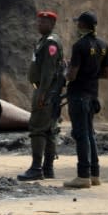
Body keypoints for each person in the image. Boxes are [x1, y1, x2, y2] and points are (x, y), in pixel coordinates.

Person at [63, 11, 108, 189]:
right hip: (92, 95)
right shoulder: (103, 45)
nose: (76, 27)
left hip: (78, 95)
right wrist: (90, 74)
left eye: (78, 24)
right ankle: (94, 174)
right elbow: (105, 74)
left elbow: (72, 75)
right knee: (89, 134)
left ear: (82, 25)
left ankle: (83, 176)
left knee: (81, 134)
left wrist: (66, 71)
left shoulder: (79, 46)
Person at [18, 10, 65, 181]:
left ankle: (37, 168)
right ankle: (47, 169)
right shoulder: (44, 41)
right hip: (47, 90)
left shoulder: (51, 43)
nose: (39, 25)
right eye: (38, 22)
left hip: (46, 90)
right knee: (49, 130)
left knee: (38, 128)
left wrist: (43, 93)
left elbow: (48, 71)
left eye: (44, 23)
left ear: (52, 25)